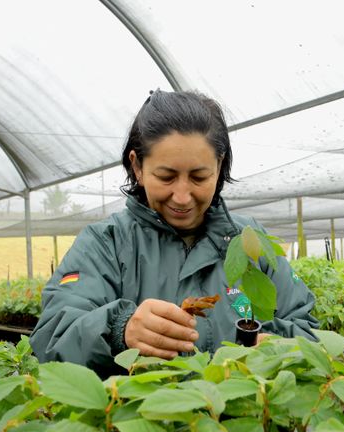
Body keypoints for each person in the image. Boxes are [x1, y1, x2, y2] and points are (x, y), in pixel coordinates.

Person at [30, 89, 318, 377]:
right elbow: (54, 336)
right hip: (138, 419)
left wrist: (277, 348)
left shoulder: (249, 241)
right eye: (166, 177)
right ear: (137, 166)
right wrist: (120, 330)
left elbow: (309, 330)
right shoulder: (106, 243)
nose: (182, 196)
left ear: (219, 166)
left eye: (199, 177)